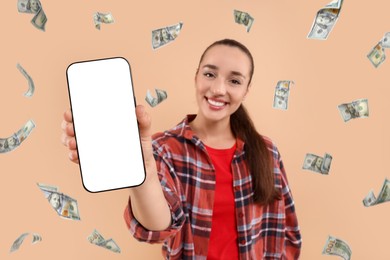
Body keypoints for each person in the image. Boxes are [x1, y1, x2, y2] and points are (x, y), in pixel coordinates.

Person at [61, 39, 302, 259]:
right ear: (196, 76)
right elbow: (158, 227)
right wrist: (141, 165)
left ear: (246, 90)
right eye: (210, 74)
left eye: (234, 81)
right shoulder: (164, 150)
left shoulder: (267, 151)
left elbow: (288, 234)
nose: (218, 89)